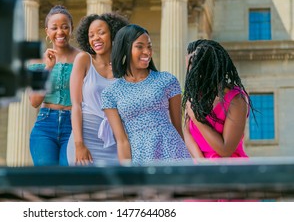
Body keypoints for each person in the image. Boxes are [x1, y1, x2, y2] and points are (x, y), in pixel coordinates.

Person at [101, 24, 190, 165]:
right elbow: (122, 141)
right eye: (140, 46)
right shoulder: (110, 93)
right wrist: (127, 172)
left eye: (149, 46)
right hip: (140, 158)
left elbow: (177, 128)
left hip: (173, 153)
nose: (147, 52)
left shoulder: (167, 80)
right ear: (125, 48)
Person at [67, 13, 129, 166]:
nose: (96, 38)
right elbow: (75, 106)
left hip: (117, 139)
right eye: (91, 35)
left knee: (116, 187)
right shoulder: (84, 60)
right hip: (86, 136)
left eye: (101, 32)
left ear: (113, 34)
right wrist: (79, 144)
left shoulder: (125, 67)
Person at [182, 39, 254, 159]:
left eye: (193, 70)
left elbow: (226, 149)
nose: (189, 76)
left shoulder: (236, 100)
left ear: (209, 69)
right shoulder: (194, 96)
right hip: (201, 170)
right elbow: (186, 132)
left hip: (229, 171)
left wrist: (197, 119)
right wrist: (200, 162)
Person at [28, 5, 80, 166]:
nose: (60, 32)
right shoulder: (37, 63)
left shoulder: (83, 59)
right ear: (47, 31)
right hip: (45, 125)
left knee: (69, 177)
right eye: (54, 28)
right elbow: (34, 101)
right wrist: (48, 68)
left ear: (71, 29)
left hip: (74, 125)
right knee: (46, 180)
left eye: (65, 27)